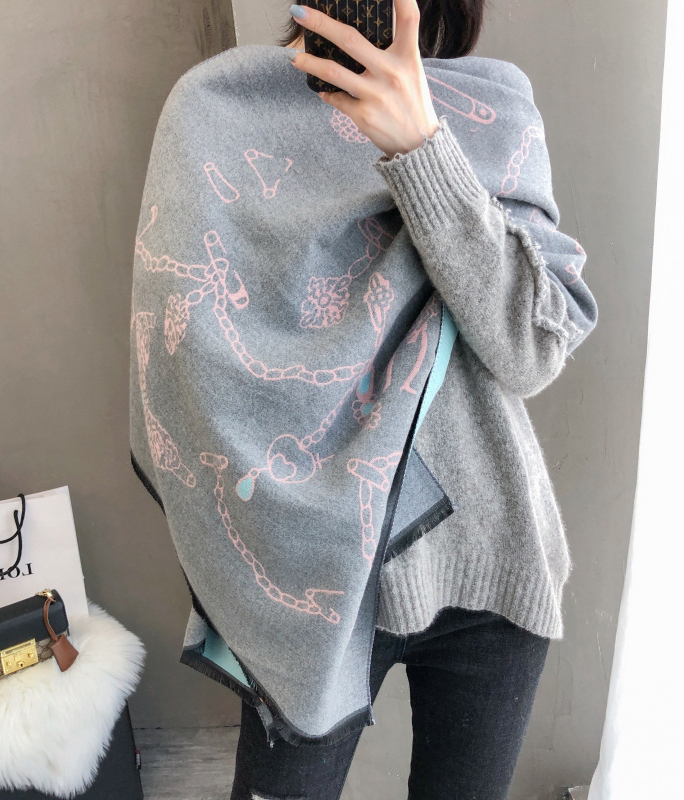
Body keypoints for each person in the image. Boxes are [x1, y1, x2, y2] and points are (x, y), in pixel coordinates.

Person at [223, 2, 599, 799]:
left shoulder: (493, 105)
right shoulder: (226, 111)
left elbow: (532, 349)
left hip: (490, 558)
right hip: (311, 579)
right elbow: (200, 356)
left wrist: (423, 148)